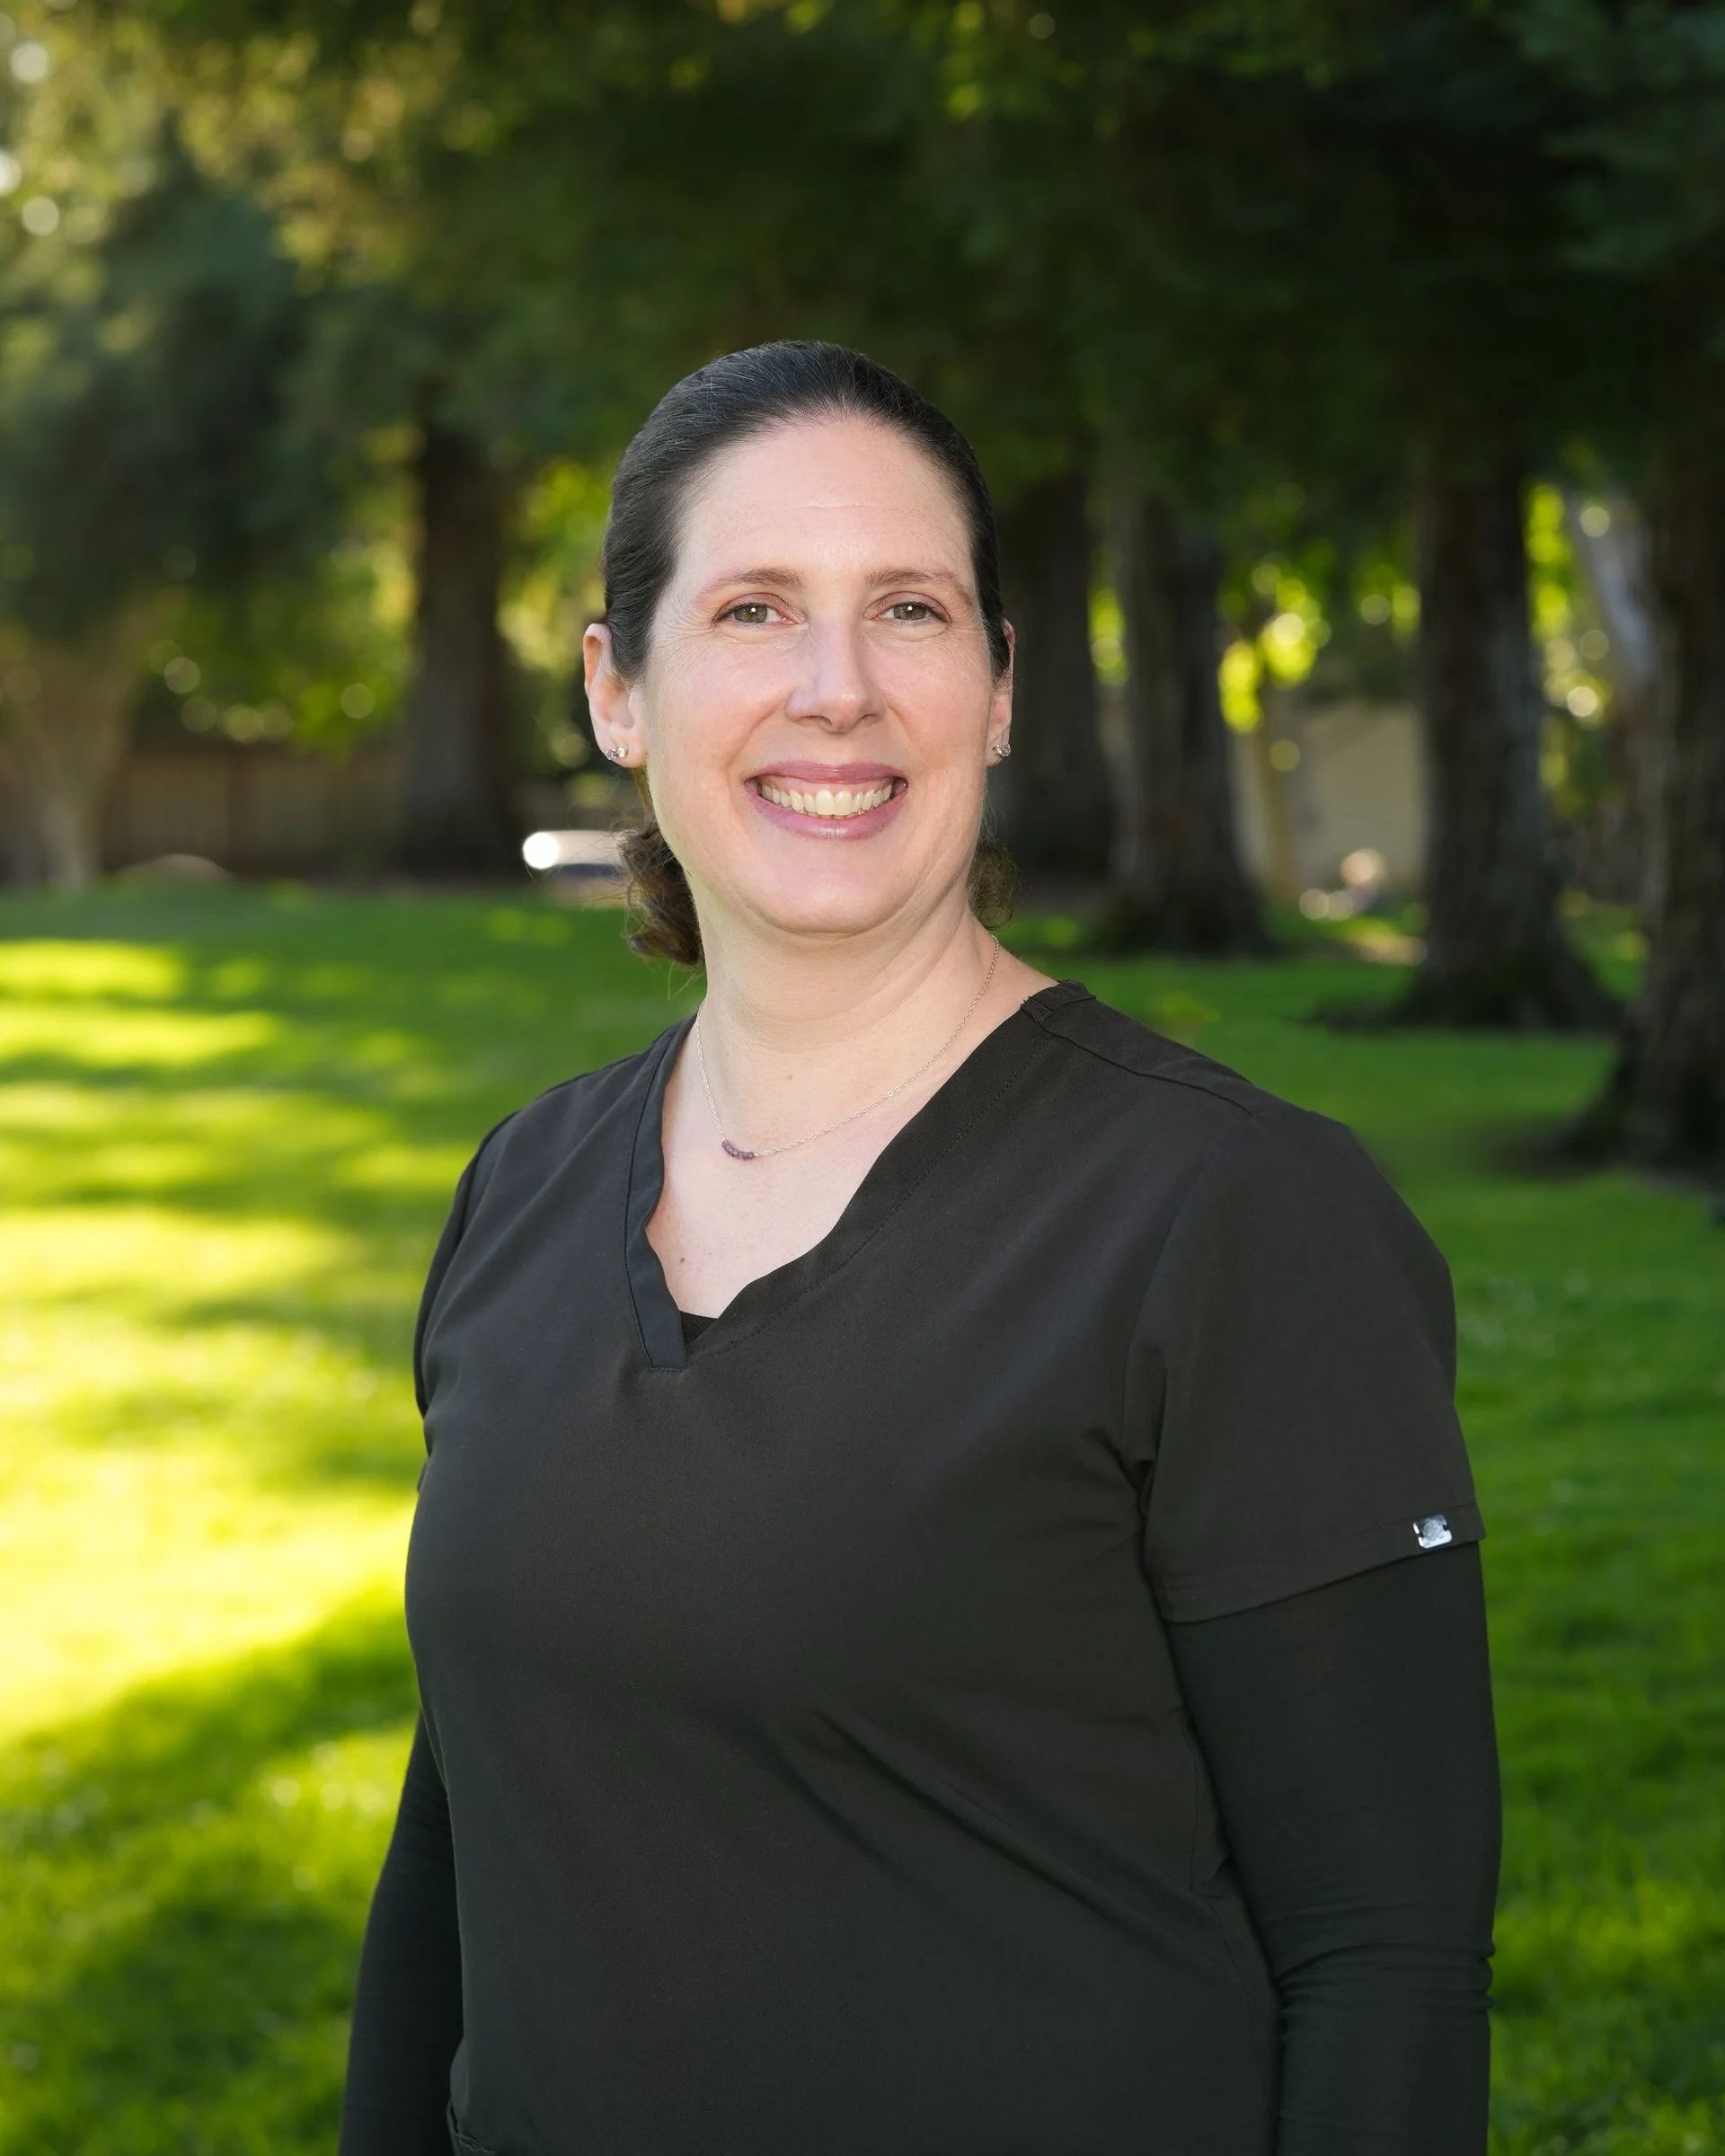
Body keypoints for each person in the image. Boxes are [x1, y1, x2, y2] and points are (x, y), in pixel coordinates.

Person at [338, 340, 1501, 2156]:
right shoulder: (525, 1191)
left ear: (1003, 686)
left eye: (909, 609)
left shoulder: (1233, 1222)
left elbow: (1388, 1964)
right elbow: (466, 1837)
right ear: (617, 691)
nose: (838, 689)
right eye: (750, 610)